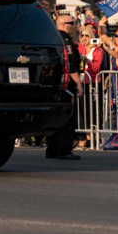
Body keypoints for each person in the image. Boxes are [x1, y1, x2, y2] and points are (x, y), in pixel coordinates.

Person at [45, 14, 83, 160]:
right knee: (67, 118)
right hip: (67, 84)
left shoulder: (52, 37)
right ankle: (63, 150)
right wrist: (78, 83)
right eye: (72, 23)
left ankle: (52, 148)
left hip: (54, 83)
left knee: (55, 116)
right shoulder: (66, 40)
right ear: (65, 25)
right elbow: (71, 65)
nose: (74, 25)